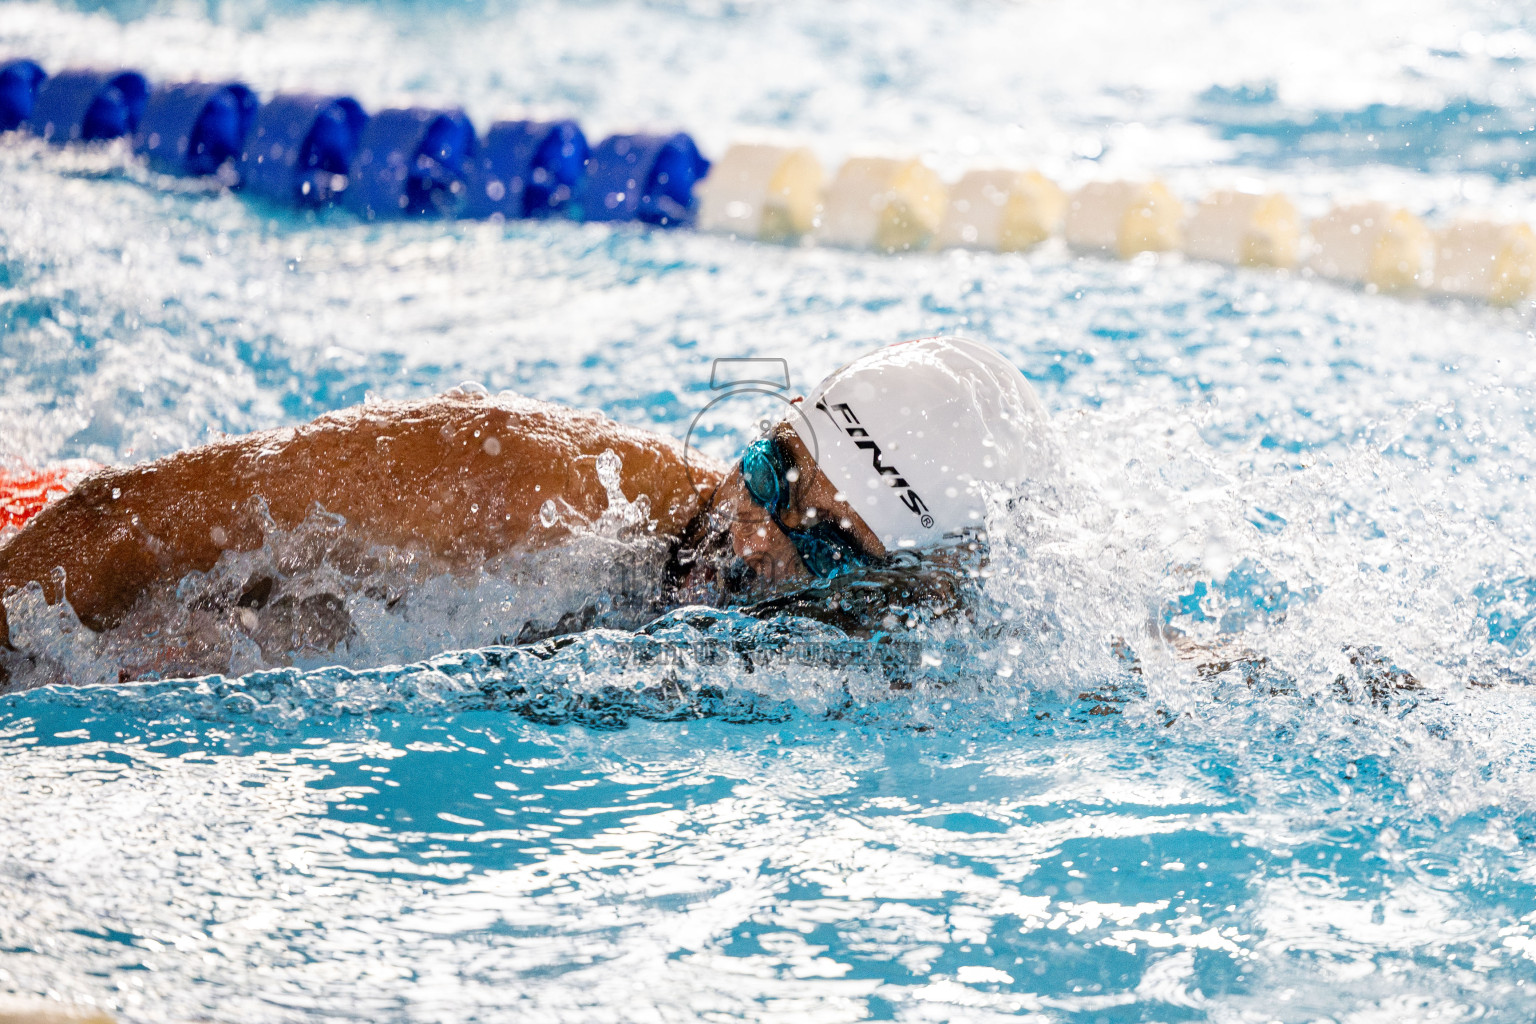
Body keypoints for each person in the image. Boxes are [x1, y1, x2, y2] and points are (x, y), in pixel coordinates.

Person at [0, 337, 1054, 685]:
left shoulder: (912, 638)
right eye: (776, 473)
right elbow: (118, 524)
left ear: (903, 585)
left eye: (822, 537)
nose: (756, 532)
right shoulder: (523, 488)